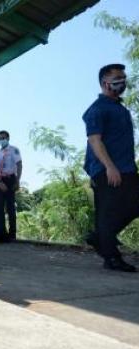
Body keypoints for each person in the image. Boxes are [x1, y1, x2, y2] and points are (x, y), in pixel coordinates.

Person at [83, 63, 139, 272]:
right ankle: (111, 258)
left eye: (124, 78)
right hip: (107, 169)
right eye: (117, 78)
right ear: (105, 83)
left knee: (133, 205)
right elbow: (95, 140)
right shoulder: (97, 109)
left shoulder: (120, 108)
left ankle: (100, 237)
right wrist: (109, 167)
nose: (122, 82)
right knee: (107, 213)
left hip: (127, 168)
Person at [0, 130, 22, 241]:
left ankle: (12, 234)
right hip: (0, 180)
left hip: (10, 179)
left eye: (3, 138)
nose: (1, 140)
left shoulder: (14, 150)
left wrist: (17, 180)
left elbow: (19, 164)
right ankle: (2, 233)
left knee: (10, 207)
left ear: (8, 138)